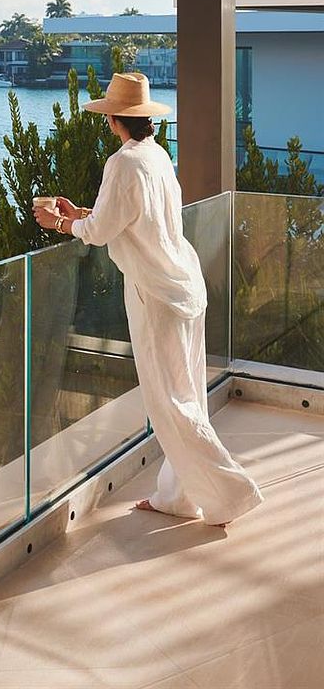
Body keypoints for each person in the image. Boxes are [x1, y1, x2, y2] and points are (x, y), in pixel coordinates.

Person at [33, 72, 263, 529]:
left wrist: (58, 223)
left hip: (155, 294)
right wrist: (83, 213)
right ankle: (177, 496)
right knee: (187, 393)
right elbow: (133, 217)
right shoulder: (157, 156)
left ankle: (231, 492)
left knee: (169, 404)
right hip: (184, 282)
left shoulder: (122, 163)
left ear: (114, 120)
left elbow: (100, 233)